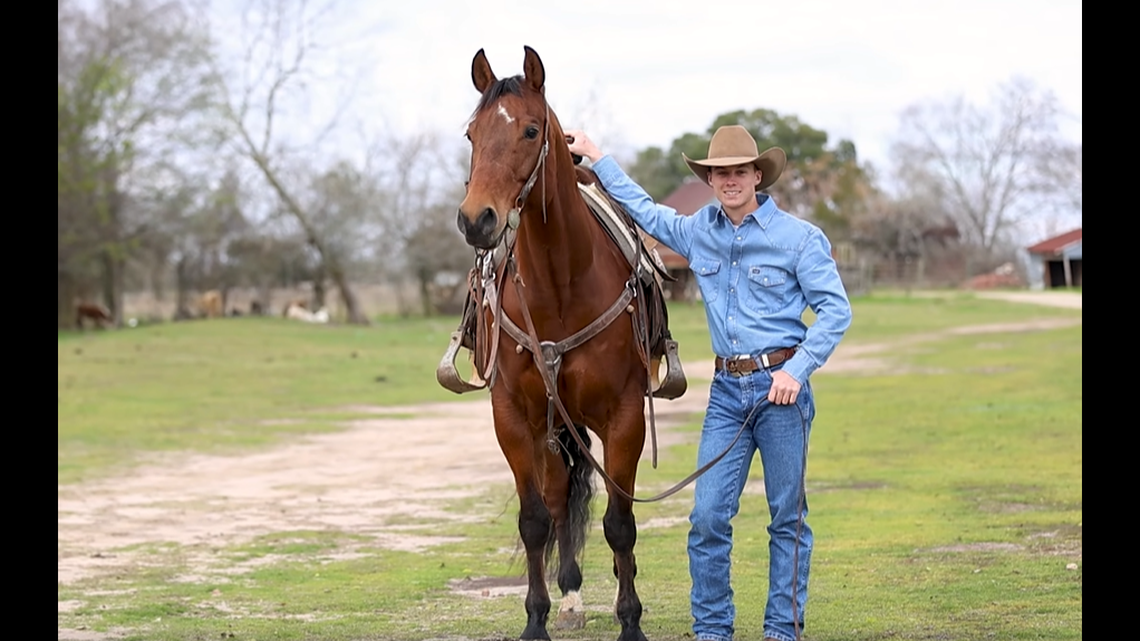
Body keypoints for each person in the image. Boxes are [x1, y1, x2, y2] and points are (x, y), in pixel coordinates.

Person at [567, 125, 852, 641]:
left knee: (787, 518)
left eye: (739, 171)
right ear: (711, 179)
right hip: (727, 394)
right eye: (720, 173)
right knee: (706, 518)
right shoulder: (700, 230)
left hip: (780, 390)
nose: (730, 181)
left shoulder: (799, 238)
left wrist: (798, 368)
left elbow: (836, 311)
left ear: (757, 175)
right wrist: (598, 157)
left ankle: (783, 630)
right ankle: (713, 631)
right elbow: (646, 212)